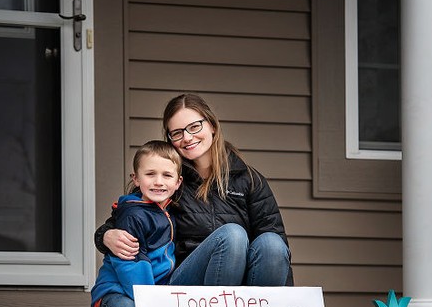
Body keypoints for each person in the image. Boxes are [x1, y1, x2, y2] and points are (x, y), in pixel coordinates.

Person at [95, 92, 291, 287]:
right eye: (177, 133)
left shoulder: (248, 179)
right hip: (188, 283)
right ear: (170, 139)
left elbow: (278, 248)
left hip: (242, 288)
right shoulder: (169, 179)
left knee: (272, 244)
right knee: (233, 234)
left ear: (212, 126)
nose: (187, 138)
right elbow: (131, 215)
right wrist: (104, 236)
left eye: (195, 126)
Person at [69, 141, 182, 307]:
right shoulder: (132, 214)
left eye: (166, 175)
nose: (158, 181)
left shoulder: (163, 212)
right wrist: (149, 302)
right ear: (135, 178)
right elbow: (131, 264)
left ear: (178, 182)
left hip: (142, 293)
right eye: (150, 174)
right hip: (114, 293)